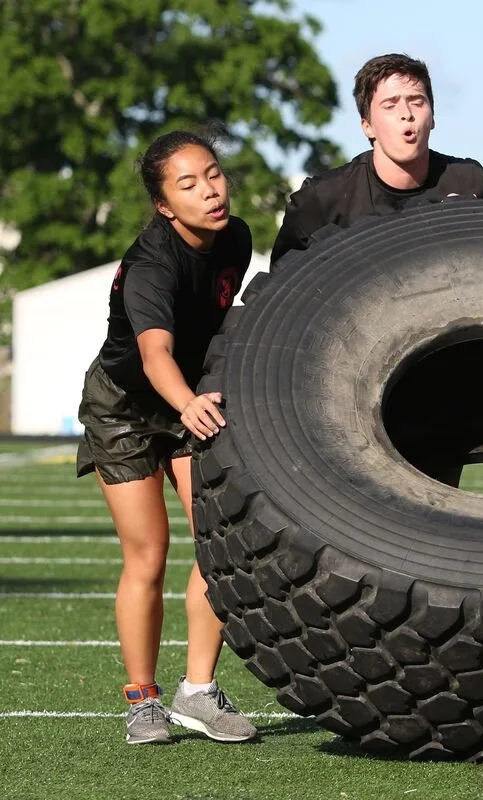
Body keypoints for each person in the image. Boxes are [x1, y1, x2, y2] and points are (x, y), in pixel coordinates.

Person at [76, 130, 257, 745]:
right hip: (126, 406)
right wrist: (188, 405)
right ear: (162, 204)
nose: (209, 191)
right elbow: (154, 355)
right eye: (188, 184)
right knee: (148, 554)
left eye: (213, 174)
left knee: (217, 545)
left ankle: (198, 692)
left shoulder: (237, 236)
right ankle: (142, 698)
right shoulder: (152, 265)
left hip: (190, 395)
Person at [270, 53, 483, 266]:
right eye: (390, 105)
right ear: (367, 126)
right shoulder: (322, 200)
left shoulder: (469, 181)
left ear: (433, 117)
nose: (406, 114)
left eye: (417, 102)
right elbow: (281, 289)